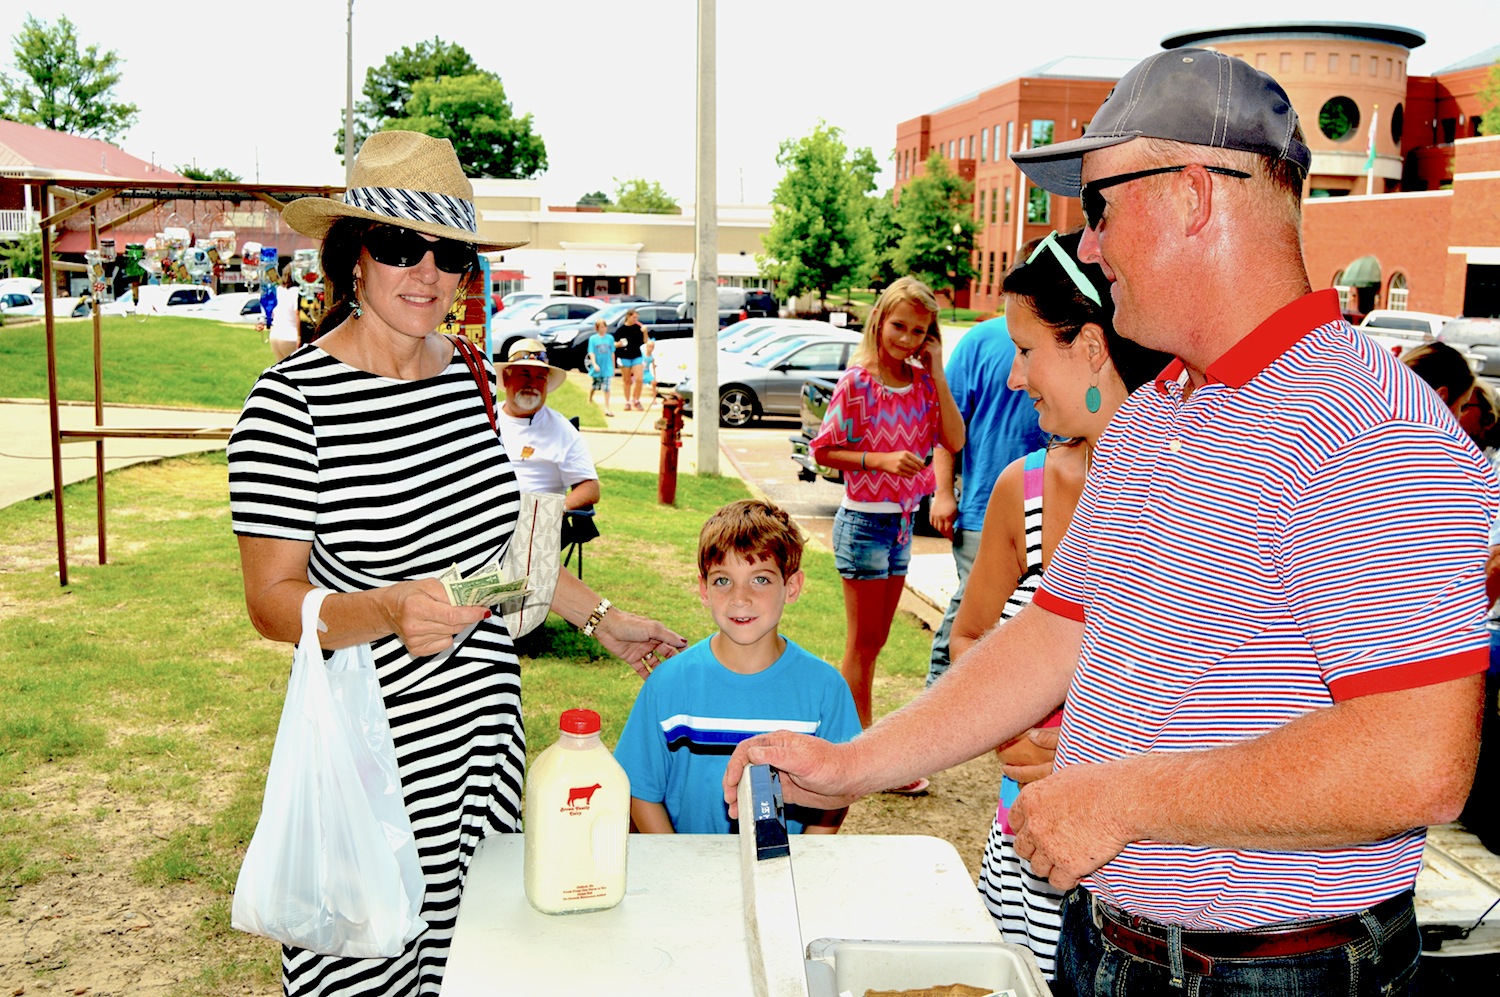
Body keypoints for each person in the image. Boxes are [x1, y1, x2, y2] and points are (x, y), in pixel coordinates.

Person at [725, 49, 1497, 997]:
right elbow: (1058, 632)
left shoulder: (1377, 431)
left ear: (1190, 195)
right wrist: (852, 764)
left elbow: (1416, 760)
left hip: (1277, 975)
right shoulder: (1156, 415)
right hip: (1107, 944)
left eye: (1098, 207)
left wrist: (1124, 798)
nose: (1087, 246)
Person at [226, 130, 685, 997]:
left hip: (483, 741)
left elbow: (496, 545)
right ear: (351, 257)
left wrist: (600, 617)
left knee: (480, 963)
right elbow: (273, 603)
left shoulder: (467, 375)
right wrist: (389, 608)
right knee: (364, 973)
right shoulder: (290, 404)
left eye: (449, 251)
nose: (427, 272)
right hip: (373, 751)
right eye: (401, 246)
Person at [944, 229, 1169, 979]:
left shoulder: (1193, 494)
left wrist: (1084, 739)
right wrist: (1020, 723)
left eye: (1027, 348)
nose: (1012, 378)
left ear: (1093, 346)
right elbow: (971, 638)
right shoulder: (1023, 489)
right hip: (1028, 847)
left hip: (1149, 873)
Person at [613, 499, 861, 834]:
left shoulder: (825, 690)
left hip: (783, 875)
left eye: (760, 579)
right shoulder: (668, 684)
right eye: (722, 580)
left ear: (792, 586)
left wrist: (800, 864)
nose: (739, 598)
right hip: (687, 873)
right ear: (703, 589)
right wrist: (677, 861)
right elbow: (639, 790)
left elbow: (838, 793)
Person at [809, 274, 964, 790]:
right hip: (863, 523)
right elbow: (824, 450)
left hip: (900, 527)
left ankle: (855, 749)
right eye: (900, 326)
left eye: (920, 331)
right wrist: (879, 458)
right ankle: (860, 758)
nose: (907, 339)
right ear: (880, 320)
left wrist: (938, 372)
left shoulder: (922, 383)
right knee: (861, 645)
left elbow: (954, 438)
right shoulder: (857, 382)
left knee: (874, 645)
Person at [924, 316, 1046, 688]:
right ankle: (936, 699)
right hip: (981, 511)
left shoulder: (1062, 334)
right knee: (970, 616)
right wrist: (943, 493)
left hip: (1049, 510)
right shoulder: (978, 340)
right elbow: (947, 424)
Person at [497, 337, 601, 517]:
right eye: (525, 374)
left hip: (536, 523)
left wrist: (556, 510)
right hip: (485, 519)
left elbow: (590, 488)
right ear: (507, 378)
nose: (532, 384)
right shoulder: (485, 419)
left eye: (540, 377)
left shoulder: (561, 429)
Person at [615, 307, 651, 411]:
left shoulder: (638, 328)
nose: (636, 319)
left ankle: (636, 400)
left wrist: (645, 332)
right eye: (634, 317)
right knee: (627, 381)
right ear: (628, 316)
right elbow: (615, 343)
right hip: (624, 356)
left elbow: (645, 341)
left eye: (637, 317)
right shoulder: (621, 330)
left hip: (636, 355)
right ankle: (627, 401)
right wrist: (618, 344)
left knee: (639, 379)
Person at [267, 268, 302, 361]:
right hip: (290, 337)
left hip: (275, 335)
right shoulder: (296, 291)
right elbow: (297, 314)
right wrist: (299, 337)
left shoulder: (278, 290)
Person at [585, 317, 616, 416]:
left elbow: (612, 353)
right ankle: (589, 398)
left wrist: (613, 366)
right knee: (595, 385)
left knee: (607, 387)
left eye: (604, 327)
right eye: (601, 327)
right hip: (598, 366)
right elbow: (591, 352)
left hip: (607, 366)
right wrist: (594, 364)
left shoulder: (610, 338)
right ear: (597, 328)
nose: (603, 329)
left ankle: (607, 408)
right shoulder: (593, 339)